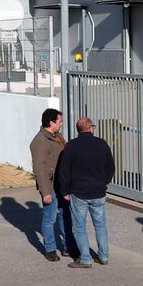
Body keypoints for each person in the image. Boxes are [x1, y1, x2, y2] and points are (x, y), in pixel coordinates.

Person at [58, 118, 115, 268]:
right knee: (100, 225)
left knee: (79, 227)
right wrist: (104, 182)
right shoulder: (102, 144)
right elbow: (110, 167)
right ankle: (103, 256)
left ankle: (85, 258)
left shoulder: (71, 146)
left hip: (79, 193)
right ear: (90, 128)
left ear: (79, 130)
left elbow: (64, 172)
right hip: (98, 192)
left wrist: (64, 190)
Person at [29, 108, 77, 262]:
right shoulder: (40, 141)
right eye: (60, 121)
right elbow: (40, 168)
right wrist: (45, 192)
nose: (61, 124)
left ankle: (67, 246)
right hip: (50, 186)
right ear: (51, 123)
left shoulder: (57, 136)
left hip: (61, 184)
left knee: (65, 215)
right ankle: (50, 249)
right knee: (50, 217)